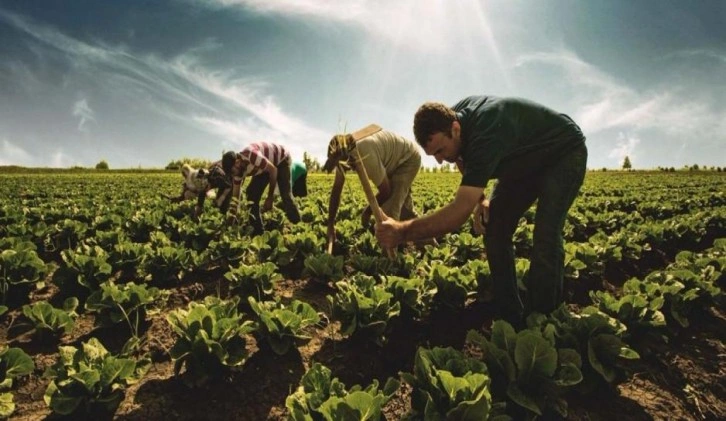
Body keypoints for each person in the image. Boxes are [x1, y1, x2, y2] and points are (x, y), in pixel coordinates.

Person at [375, 96, 588, 323]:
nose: (439, 161)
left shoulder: (487, 130)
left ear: (455, 129)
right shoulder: (453, 119)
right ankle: (510, 315)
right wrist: (481, 200)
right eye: (433, 155)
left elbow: (459, 212)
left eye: (440, 150)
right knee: (494, 226)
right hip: (521, 161)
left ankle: (545, 320)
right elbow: (460, 157)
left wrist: (402, 232)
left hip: (562, 153)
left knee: (546, 233)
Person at [322, 126, 421, 251]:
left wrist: (367, 212)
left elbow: (386, 191)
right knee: (405, 211)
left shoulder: (364, 155)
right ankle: (430, 243)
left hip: (406, 159)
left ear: (347, 158)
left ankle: (389, 261)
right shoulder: (343, 155)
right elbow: (336, 190)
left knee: (389, 210)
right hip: (392, 162)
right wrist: (330, 225)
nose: (345, 169)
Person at [222, 142, 301, 234]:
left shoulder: (252, 155)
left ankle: (298, 225)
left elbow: (273, 170)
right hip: (264, 167)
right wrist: (231, 220)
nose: (233, 175)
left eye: (232, 172)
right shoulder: (237, 172)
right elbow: (235, 198)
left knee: (285, 194)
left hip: (281, 158)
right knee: (251, 195)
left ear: (237, 162)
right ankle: (258, 232)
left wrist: (270, 197)